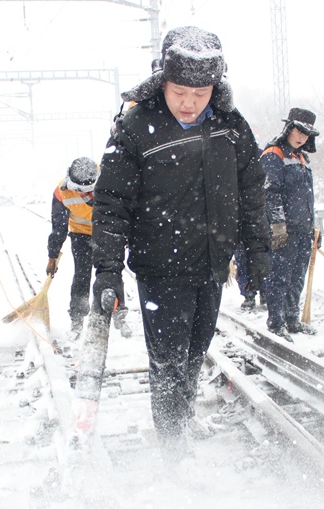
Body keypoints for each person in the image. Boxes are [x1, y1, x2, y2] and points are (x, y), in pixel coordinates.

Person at [88, 26, 270, 464]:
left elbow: (251, 189)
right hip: (161, 270)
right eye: (179, 91)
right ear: (162, 84)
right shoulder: (134, 128)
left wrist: (256, 250)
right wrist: (108, 270)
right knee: (168, 365)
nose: (189, 102)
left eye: (200, 92)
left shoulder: (231, 125)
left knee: (194, 354)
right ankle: (173, 451)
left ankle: (182, 420)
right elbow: (111, 204)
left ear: (215, 88)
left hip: (211, 266)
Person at [261, 108, 321, 341]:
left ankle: (292, 319)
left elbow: (308, 196)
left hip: (303, 229)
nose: (301, 137)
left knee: (297, 275)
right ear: (288, 129)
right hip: (284, 230)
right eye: (298, 131)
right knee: (279, 276)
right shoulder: (273, 154)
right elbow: (270, 193)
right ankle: (276, 322)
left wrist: (313, 227)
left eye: (306, 134)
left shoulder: (303, 158)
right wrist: (278, 226)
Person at [45, 157, 100, 340]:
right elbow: (59, 227)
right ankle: (77, 319)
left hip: (106, 231)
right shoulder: (62, 193)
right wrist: (52, 256)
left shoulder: (109, 177)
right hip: (80, 235)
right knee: (82, 275)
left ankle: (116, 314)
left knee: (109, 274)